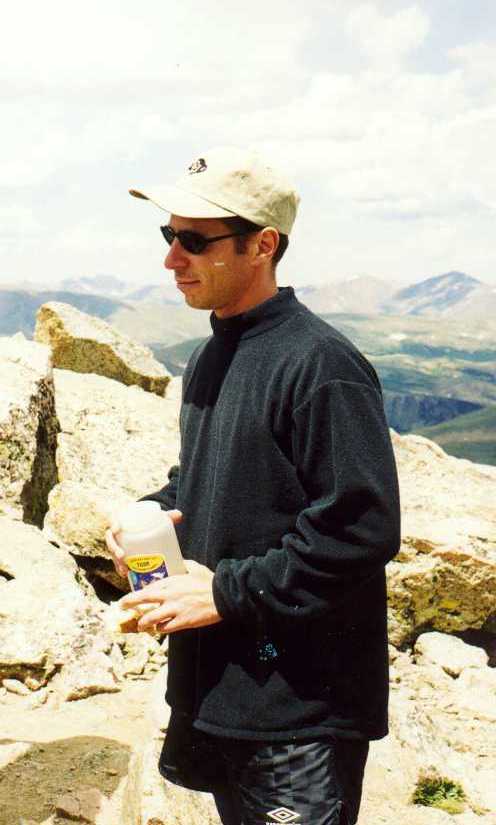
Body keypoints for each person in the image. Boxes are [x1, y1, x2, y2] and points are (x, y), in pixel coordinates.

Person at [106, 146, 401, 825]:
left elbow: (362, 527)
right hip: (222, 692)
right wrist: (149, 515)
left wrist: (223, 592)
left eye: (194, 241)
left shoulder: (321, 363)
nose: (171, 259)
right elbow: (206, 478)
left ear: (263, 245)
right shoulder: (212, 354)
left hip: (299, 711)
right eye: (169, 235)